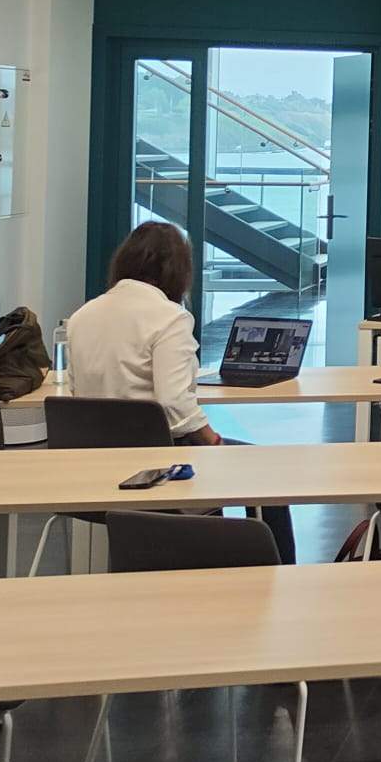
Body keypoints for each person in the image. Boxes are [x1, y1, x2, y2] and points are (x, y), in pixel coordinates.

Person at [65, 222, 296, 564]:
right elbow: (174, 402)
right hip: (161, 464)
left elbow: (76, 391)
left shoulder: (82, 316)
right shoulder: (169, 318)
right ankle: (277, 576)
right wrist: (213, 440)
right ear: (177, 271)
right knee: (267, 470)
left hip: (94, 468)